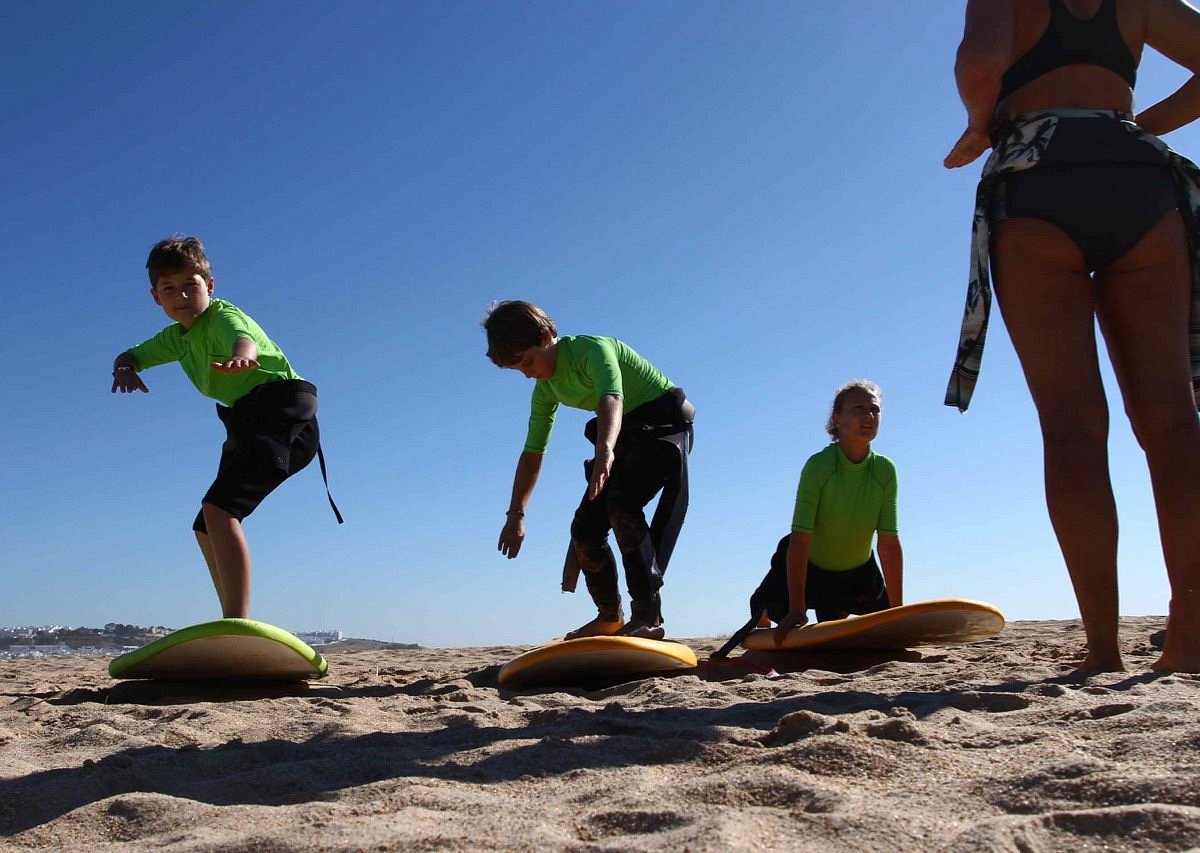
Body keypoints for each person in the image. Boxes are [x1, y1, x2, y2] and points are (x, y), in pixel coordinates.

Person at [945, 0, 1200, 672]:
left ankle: (1103, 647)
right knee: (1173, 420)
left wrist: (980, 125)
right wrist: (1141, 125)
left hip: (1037, 178)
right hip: (1136, 176)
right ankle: (1192, 635)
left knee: (1072, 425)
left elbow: (980, 64)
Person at [111, 236, 341, 619]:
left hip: (280, 408)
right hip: (247, 421)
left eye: (190, 284)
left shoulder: (221, 316)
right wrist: (124, 367)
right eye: (169, 288)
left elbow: (243, 338)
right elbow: (130, 353)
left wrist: (241, 358)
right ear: (156, 297)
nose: (181, 295)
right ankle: (231, 618)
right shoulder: (174, 339)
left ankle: (237, 621)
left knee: (219, 510)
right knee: (205, 524)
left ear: (209, 287)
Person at [484, 300, 694, 640]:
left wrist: (605, 451)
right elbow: (533, 452)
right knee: (585, 528)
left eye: (528, 361)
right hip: (624, 437)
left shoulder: (591, 349)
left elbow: (611, 397)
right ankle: (609, 616)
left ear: (546, 335)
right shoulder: (545, 390)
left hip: (664, 426)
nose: (527, 373)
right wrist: (516, 514)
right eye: (518, 369)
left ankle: (647, 616)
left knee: (622, 506)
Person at [758, 381, 904, 647]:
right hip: (810, 570)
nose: (869, 416)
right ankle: (766, 613)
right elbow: (801, 539)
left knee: (845, 619)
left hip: (858, 574)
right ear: (837, 419)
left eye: (875, 410)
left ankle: (835, 609)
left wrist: (898, 613)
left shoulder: (885, 470)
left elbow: (889, 543)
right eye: (859, 408)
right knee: (764, 607)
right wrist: (797, 610)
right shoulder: (818, 467)